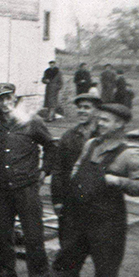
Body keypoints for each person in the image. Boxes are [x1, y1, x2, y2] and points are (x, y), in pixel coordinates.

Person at [22, 103, 139, 277]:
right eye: (99, 119)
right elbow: (77, 168)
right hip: (79, 217)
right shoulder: (91, 144)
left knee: (105, 269)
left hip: (107, 222)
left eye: (106, 120)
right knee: (66, 261)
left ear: (120, 124)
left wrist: (120, 181)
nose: (100, 123)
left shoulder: (128, 155)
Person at [0, 83, 54, 277]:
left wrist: (44, 171)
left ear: (14, 97)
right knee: (2, 236)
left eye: (7, 98)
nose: (3, 103)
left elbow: (51, 146)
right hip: (0, 189)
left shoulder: (32, 122)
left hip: (26, 188)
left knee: (34, 237)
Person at [51, 89, 101, 219]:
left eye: (87, 107)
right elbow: (58, 169)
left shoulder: (103, 136)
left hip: (97, 200)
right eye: (80, 107)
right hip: (71, 197)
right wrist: (57, 201)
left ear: (96, 111)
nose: (82, 111)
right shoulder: (68, 136)